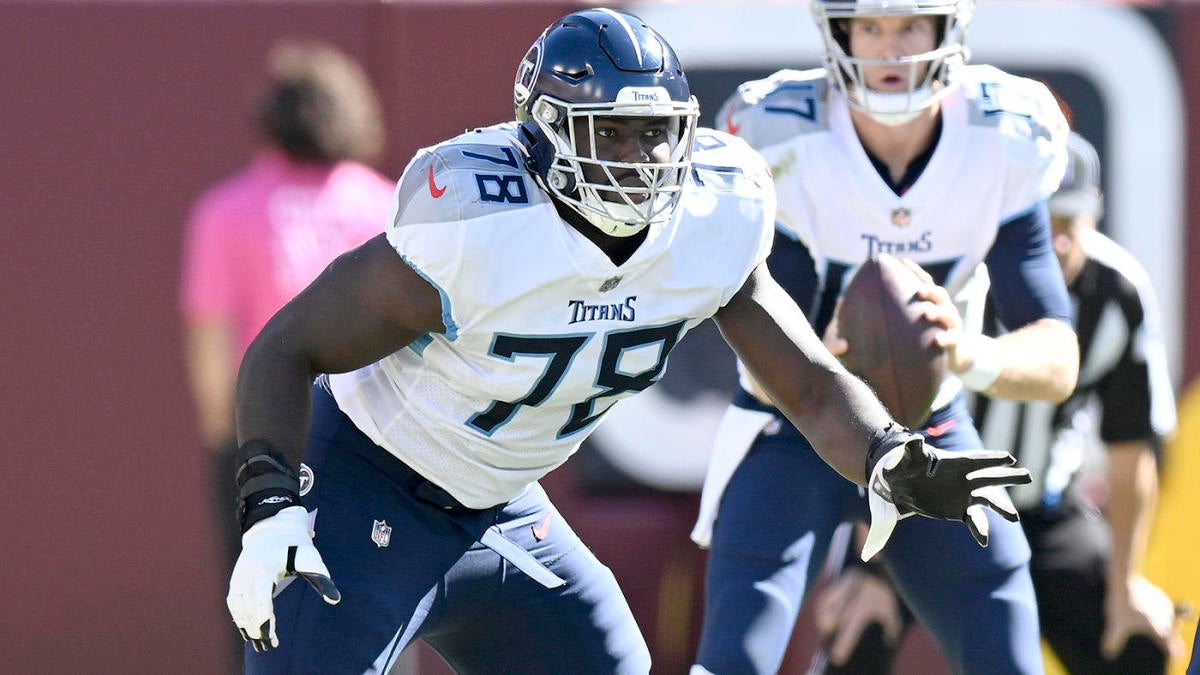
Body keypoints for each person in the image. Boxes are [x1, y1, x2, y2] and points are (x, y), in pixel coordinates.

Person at [221, 8, 1032, 673]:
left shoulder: (711, 220)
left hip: (501, 504)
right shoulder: (477, 224)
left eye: (655, 133)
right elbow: (286, 346)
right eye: (610, 133)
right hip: (366, 487)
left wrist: (889, 453)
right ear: (543, 134)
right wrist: (269, 510)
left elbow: (812, 381)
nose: (640, 159)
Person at [691, 1, 1080, 673]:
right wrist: (815, 347)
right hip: (794, 430)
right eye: (869, 26)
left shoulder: (1003, 135)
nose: (889, 48)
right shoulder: (779, 133)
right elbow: (757, 344)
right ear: (838, 31)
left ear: (946, 29)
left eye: (909, 25)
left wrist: (964, 350)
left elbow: (1058, 356)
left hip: (928, 427)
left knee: (1005, 636)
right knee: (733, 659)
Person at [809, 131, 1183, 674]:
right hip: (921, 505)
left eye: (1069, 226)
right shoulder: (948, 281)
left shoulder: (1117, 295)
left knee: (1135, 641)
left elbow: (1131, 455)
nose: (1054, 244)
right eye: (1042, 225)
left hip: (1043, 509)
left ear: (1095, 219)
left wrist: (1125, 584)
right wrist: (874, 570)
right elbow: (877, 424)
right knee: (858, 632)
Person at [180, 42, 393, 573]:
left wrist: (227, 445)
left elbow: (211, 341)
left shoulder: (225, 211)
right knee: (378, 614)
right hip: (374, 443)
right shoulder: (388, 205)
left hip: (262, 439)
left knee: (258, 611)